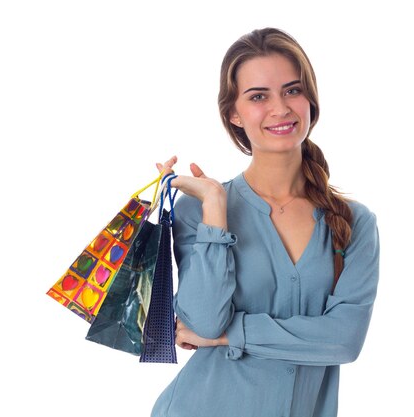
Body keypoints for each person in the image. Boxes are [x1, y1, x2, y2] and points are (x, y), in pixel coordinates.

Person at [152, 27, 380, 417]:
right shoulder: (200, 212)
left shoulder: (353, 223)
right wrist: (215, 206)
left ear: (311, 100)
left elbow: (344, 341)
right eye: (259, 96)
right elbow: (204, 322)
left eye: (292, 90)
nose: (280, 108)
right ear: (234, 113)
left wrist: (230, 335)